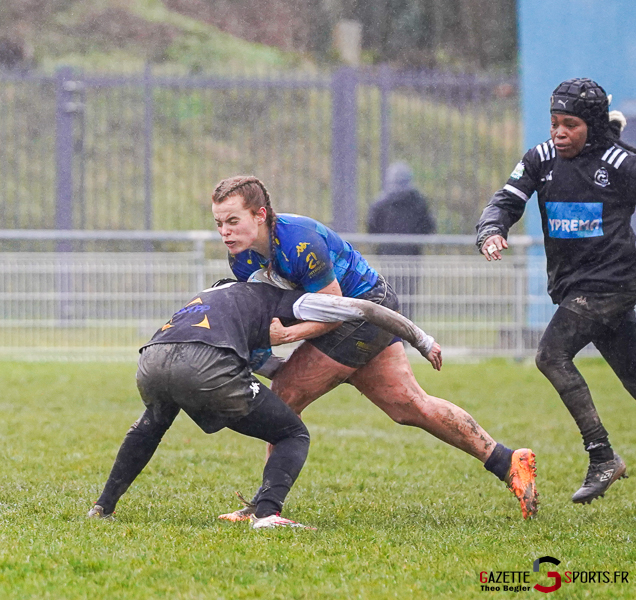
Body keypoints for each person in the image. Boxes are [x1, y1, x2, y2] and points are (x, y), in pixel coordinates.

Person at [211, 175, 538, 520]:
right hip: (349, 314)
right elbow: (269, 312)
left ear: (260, 215)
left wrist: (288, 337)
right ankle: (508, 461)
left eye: (233, 221)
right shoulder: (242, 258)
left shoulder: (299, 242)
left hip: (366, 309)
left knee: (286, 394)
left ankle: (265, 507)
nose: (225, 232)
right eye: (219, 223)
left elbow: (336, 311)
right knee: (410, 406)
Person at [87, 276, 442, 529]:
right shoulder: (272, 296)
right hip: (205, 362)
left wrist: (321, 372)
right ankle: (267, 515)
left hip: (151, 360)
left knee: (149, 428)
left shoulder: (206, 299)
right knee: (292, 433)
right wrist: (421, 339)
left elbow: (264, 365)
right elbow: (364, 308)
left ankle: (103, 507)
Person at [476, 77, 636, 505]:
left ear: (594, 126)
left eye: (571, 125)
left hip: (612, 284)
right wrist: (491, 229)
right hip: (574, 288)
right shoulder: (541, 159)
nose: (559, 133)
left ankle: (601, 454)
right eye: (554, 123)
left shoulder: (621, 163)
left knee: (551, 354)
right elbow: (505, 201)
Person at [366, 161, 436, 319]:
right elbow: (428, 228)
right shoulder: (418, 202)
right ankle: (405, 330)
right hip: (411, 256)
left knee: (390, 294)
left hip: (389, 256)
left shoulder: (381, 203)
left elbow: (372, 229)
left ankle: (393, 332)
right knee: (408, 295)